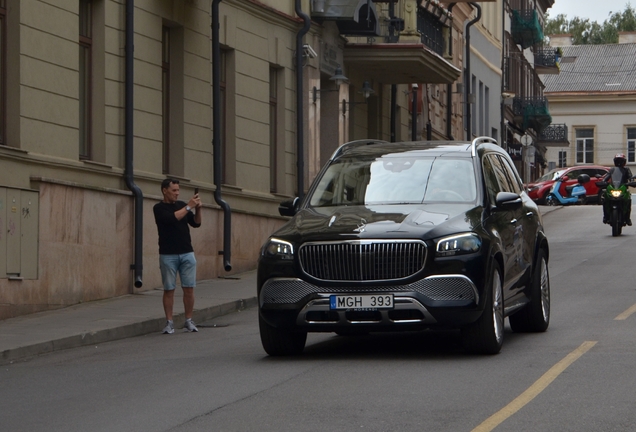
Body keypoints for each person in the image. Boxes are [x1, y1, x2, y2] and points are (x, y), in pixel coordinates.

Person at [153, 179, 202, 334]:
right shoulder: (159, 208)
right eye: (174, 190)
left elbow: (196, 223)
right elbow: (171, 219)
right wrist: (189, 206)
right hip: (168, 254)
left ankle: (188, 320)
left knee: (189, 288)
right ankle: (169, 322)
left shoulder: (182, 205)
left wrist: (198, 209)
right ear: (164, 190)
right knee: (169, 289)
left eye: (178, 190)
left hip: (187, 252)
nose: (177, 193)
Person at [602, 153, 633, 225]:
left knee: (628, 200)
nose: (619, 163)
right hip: (614, 187)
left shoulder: (626, 169)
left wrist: (631, 182)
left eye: (620, 161)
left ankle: (627, 218)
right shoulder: (612, 169)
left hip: (623, 188)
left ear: (624, 162)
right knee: (605, 198)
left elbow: (630, 177)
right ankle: (606, 216)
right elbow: (607, 176)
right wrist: (603, 181)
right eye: (617, 161)